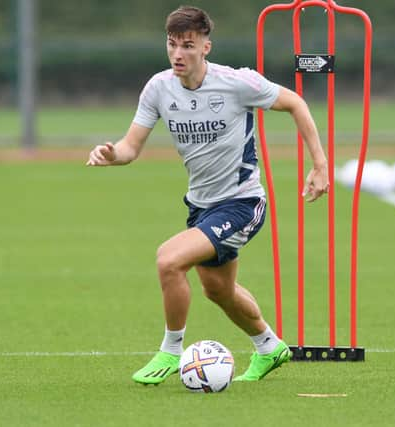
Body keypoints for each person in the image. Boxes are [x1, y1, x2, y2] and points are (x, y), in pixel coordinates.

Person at [87, 6, 329, 384]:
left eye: (187, 45)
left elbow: (296, 103)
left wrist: (319, 164)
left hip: (243, 202)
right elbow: (130, 147)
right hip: (200, 205)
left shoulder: (237, 83)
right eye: (172, 44)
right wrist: (111, 155)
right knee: (219, 290)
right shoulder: (158, 88)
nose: (178, 54)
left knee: (169, 260)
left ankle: (170, 351)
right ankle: (270, 347)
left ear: (206, 47)